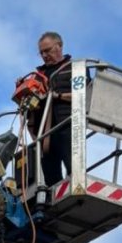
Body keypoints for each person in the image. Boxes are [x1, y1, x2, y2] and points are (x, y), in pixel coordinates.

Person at [33, 30, 73, 185]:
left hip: (68, 125)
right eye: (41, 53)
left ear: (59, 46)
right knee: (50, 179)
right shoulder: (38, 75)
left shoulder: (75, 68)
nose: (44, 56)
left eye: (47, 51)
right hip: (45, 133)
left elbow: (84, 96)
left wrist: (58, 96)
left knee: (73, 170)